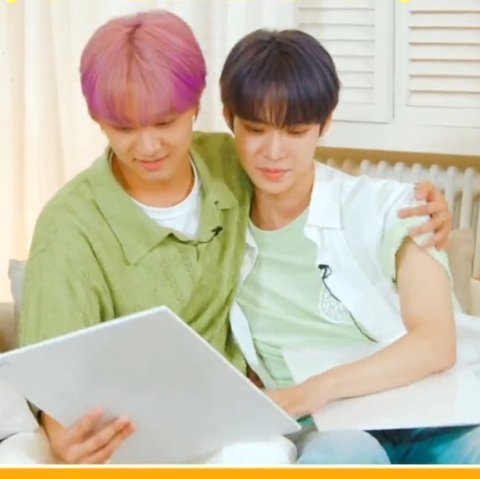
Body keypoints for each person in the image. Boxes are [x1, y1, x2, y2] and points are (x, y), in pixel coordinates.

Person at [19, 11, 450, 464]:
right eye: (124, 128)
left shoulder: (233, 162)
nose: (148, 147)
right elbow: (53, 371)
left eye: (165, 123)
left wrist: (417, 205)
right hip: (169, 431)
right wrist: (60, 431)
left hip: (282, 418)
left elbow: (310, 174)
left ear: (196, 107)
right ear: (97, 118)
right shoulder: (70, 228)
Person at [219, 28, 480, 464]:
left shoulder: (395, 208)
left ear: (325, 125)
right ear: (229, 120)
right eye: (256, 129)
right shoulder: (216, 225)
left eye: (295, 131)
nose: (274, 152)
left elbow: (436, 344)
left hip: (431, 415)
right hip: (331, 435)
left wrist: (313, 390)